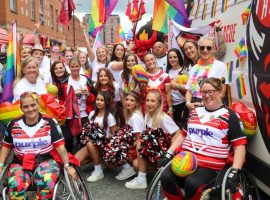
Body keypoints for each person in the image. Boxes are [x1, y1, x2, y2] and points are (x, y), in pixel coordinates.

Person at [158, 77, 247, 200]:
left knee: (192, 183)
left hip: (210, 166)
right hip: (185, 160)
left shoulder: (229, 116)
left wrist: (235, 171)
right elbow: (183, 135)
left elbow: (239, 146)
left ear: (220, 93)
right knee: (166, 177)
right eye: (204, 92)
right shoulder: (194, 112)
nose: (207, 95)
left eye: (211, 91)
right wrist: (169, 153)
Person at [0, 92, 78, 199]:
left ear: (38, 105)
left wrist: (67, 165)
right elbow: (6, 146)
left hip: (45, 161)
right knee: (15, 185)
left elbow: (60, 146)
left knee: (46, 182)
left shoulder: (49, 122)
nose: (30, 109)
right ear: (21, 108)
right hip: (20, 163)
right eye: (26, 106)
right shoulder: (13, 124)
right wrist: (1, 164)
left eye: (33, 105)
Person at [125, 89, 180, 189]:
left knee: (140, 144)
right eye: (148, 100)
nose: (149, 103)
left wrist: (169, 150)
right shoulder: (147, 115)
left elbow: (178, 132)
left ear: (159, 103)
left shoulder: (164, 118)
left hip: (163, 152)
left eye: (153, 101)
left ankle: (142, 180)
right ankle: (152, 174)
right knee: (135, 164)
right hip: (152, 151)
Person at [75, 91, 118, 182]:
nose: (98, 102)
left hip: (104, 146)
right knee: (76, 160)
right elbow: (88, 130)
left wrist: (104, 139)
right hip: (92, 144)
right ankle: (98, 161)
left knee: (90, 144)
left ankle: (98, 171)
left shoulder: (109, 117)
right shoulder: (92, 114)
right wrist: (86, 136)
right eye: (97, 99)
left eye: (102, 100)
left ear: (106, 102)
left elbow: (115, 136)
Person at [185, 37, 228, 111]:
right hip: (194, 106)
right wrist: (188, 103)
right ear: (198, 49)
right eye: (202, 48)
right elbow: (189, 91)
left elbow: (222, 92)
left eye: (208, 48)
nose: (205, 50)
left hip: (213, 106)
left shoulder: (220, 66)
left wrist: (205, 102)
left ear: (213, 50)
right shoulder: (194, 68)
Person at [115, 91, 144, 181]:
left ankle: (128, 168)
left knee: (114, 146)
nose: (128, 102)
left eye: (132, 100)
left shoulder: (135, 117)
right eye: (127, 99)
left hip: (139, 147)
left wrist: (125, 145)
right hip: (134, 143)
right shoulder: (131, 114)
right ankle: (127, 167)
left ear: (137, 103)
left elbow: (140, 139)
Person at [166, 48, 186, 126]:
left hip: (182, 104)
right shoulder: (166, 72)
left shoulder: (184, 71)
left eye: (175, 57)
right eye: (170, 57)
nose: (172, 59)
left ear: (179, 58)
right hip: (170, 105)